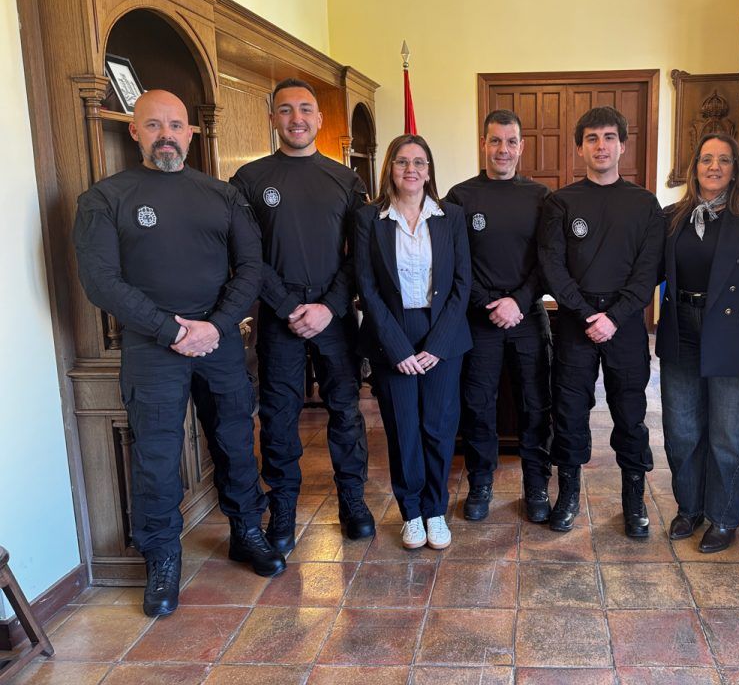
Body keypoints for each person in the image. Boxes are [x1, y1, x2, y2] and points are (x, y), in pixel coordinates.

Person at [73, 90, 285, 618]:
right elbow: (100, 280)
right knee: (157, 458)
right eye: (153, 125)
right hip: (151, 349)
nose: (165, 135)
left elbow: (251, 267)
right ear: (135, 132)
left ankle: (246, 533)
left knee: (236, 443)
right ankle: (163, 559)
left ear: (190, 132)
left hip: (219, 343)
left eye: (175, 125)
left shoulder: (222, 195)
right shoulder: (105, 198)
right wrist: (170, 330)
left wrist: (214, 326)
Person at [230, 79, 373, 550]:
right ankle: (284, 508)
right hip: (279, 317)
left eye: (306, 109)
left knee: (345, 411)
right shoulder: (249, 180)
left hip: (334, 316)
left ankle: (352, 499)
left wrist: (329, 307)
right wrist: (290, 306)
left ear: (319, 119)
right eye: (286, 110)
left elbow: (361, 255)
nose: (297, 118)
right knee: (278, 416)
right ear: (272, 117)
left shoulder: (346, 180)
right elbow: (247, 256)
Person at [538, 106, 665, 537]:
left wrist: (614, 316)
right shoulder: (561, 203)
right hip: (575, 323)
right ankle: (568, 495)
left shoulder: (645, 204)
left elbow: (648, 271)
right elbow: (552, 266)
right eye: (591, 138)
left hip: (625, 324)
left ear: (623, 145)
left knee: (630, 413)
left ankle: (634, 499)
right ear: (580, 148)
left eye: (609, 137)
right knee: (569, 411)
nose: (601, 146)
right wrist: (584, 312)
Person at [657, 133, 739, 553]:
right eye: (706, 159)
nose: (714, 167)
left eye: (723, 160)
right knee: (682, 432)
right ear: (694, 167)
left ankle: (724, 517)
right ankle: (689, 508)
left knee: (729, 437)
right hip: (681, 331)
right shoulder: (673, 218)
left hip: (734, 337)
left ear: (734, 169)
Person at [354, 134, 472, 550]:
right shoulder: (369, 219)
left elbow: (462, 284)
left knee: (438, 427)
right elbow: (367, 287)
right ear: (390, 167)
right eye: (402, 161)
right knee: (403, 428)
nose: (411, 169)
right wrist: (397, 347)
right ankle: (412, 514)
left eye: (419, 162)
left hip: (443, 332)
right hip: (392, 332)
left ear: (429, 170)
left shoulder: (451, 216)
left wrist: (437, 345)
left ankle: (436, 509)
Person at [445, 109, 553, 523]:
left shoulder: (541, 197)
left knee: (535, 404)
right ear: (483, 144)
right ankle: (480, 482)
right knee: (478, 406)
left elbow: (547, 261)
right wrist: (489, 303)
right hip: (479, 319)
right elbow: (455, 264)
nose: (502, 149)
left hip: (528, 317)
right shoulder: (460, 197)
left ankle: (536, 484)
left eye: (510, 142)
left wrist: (518, 301)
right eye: (495, 141)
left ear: (521, 147)